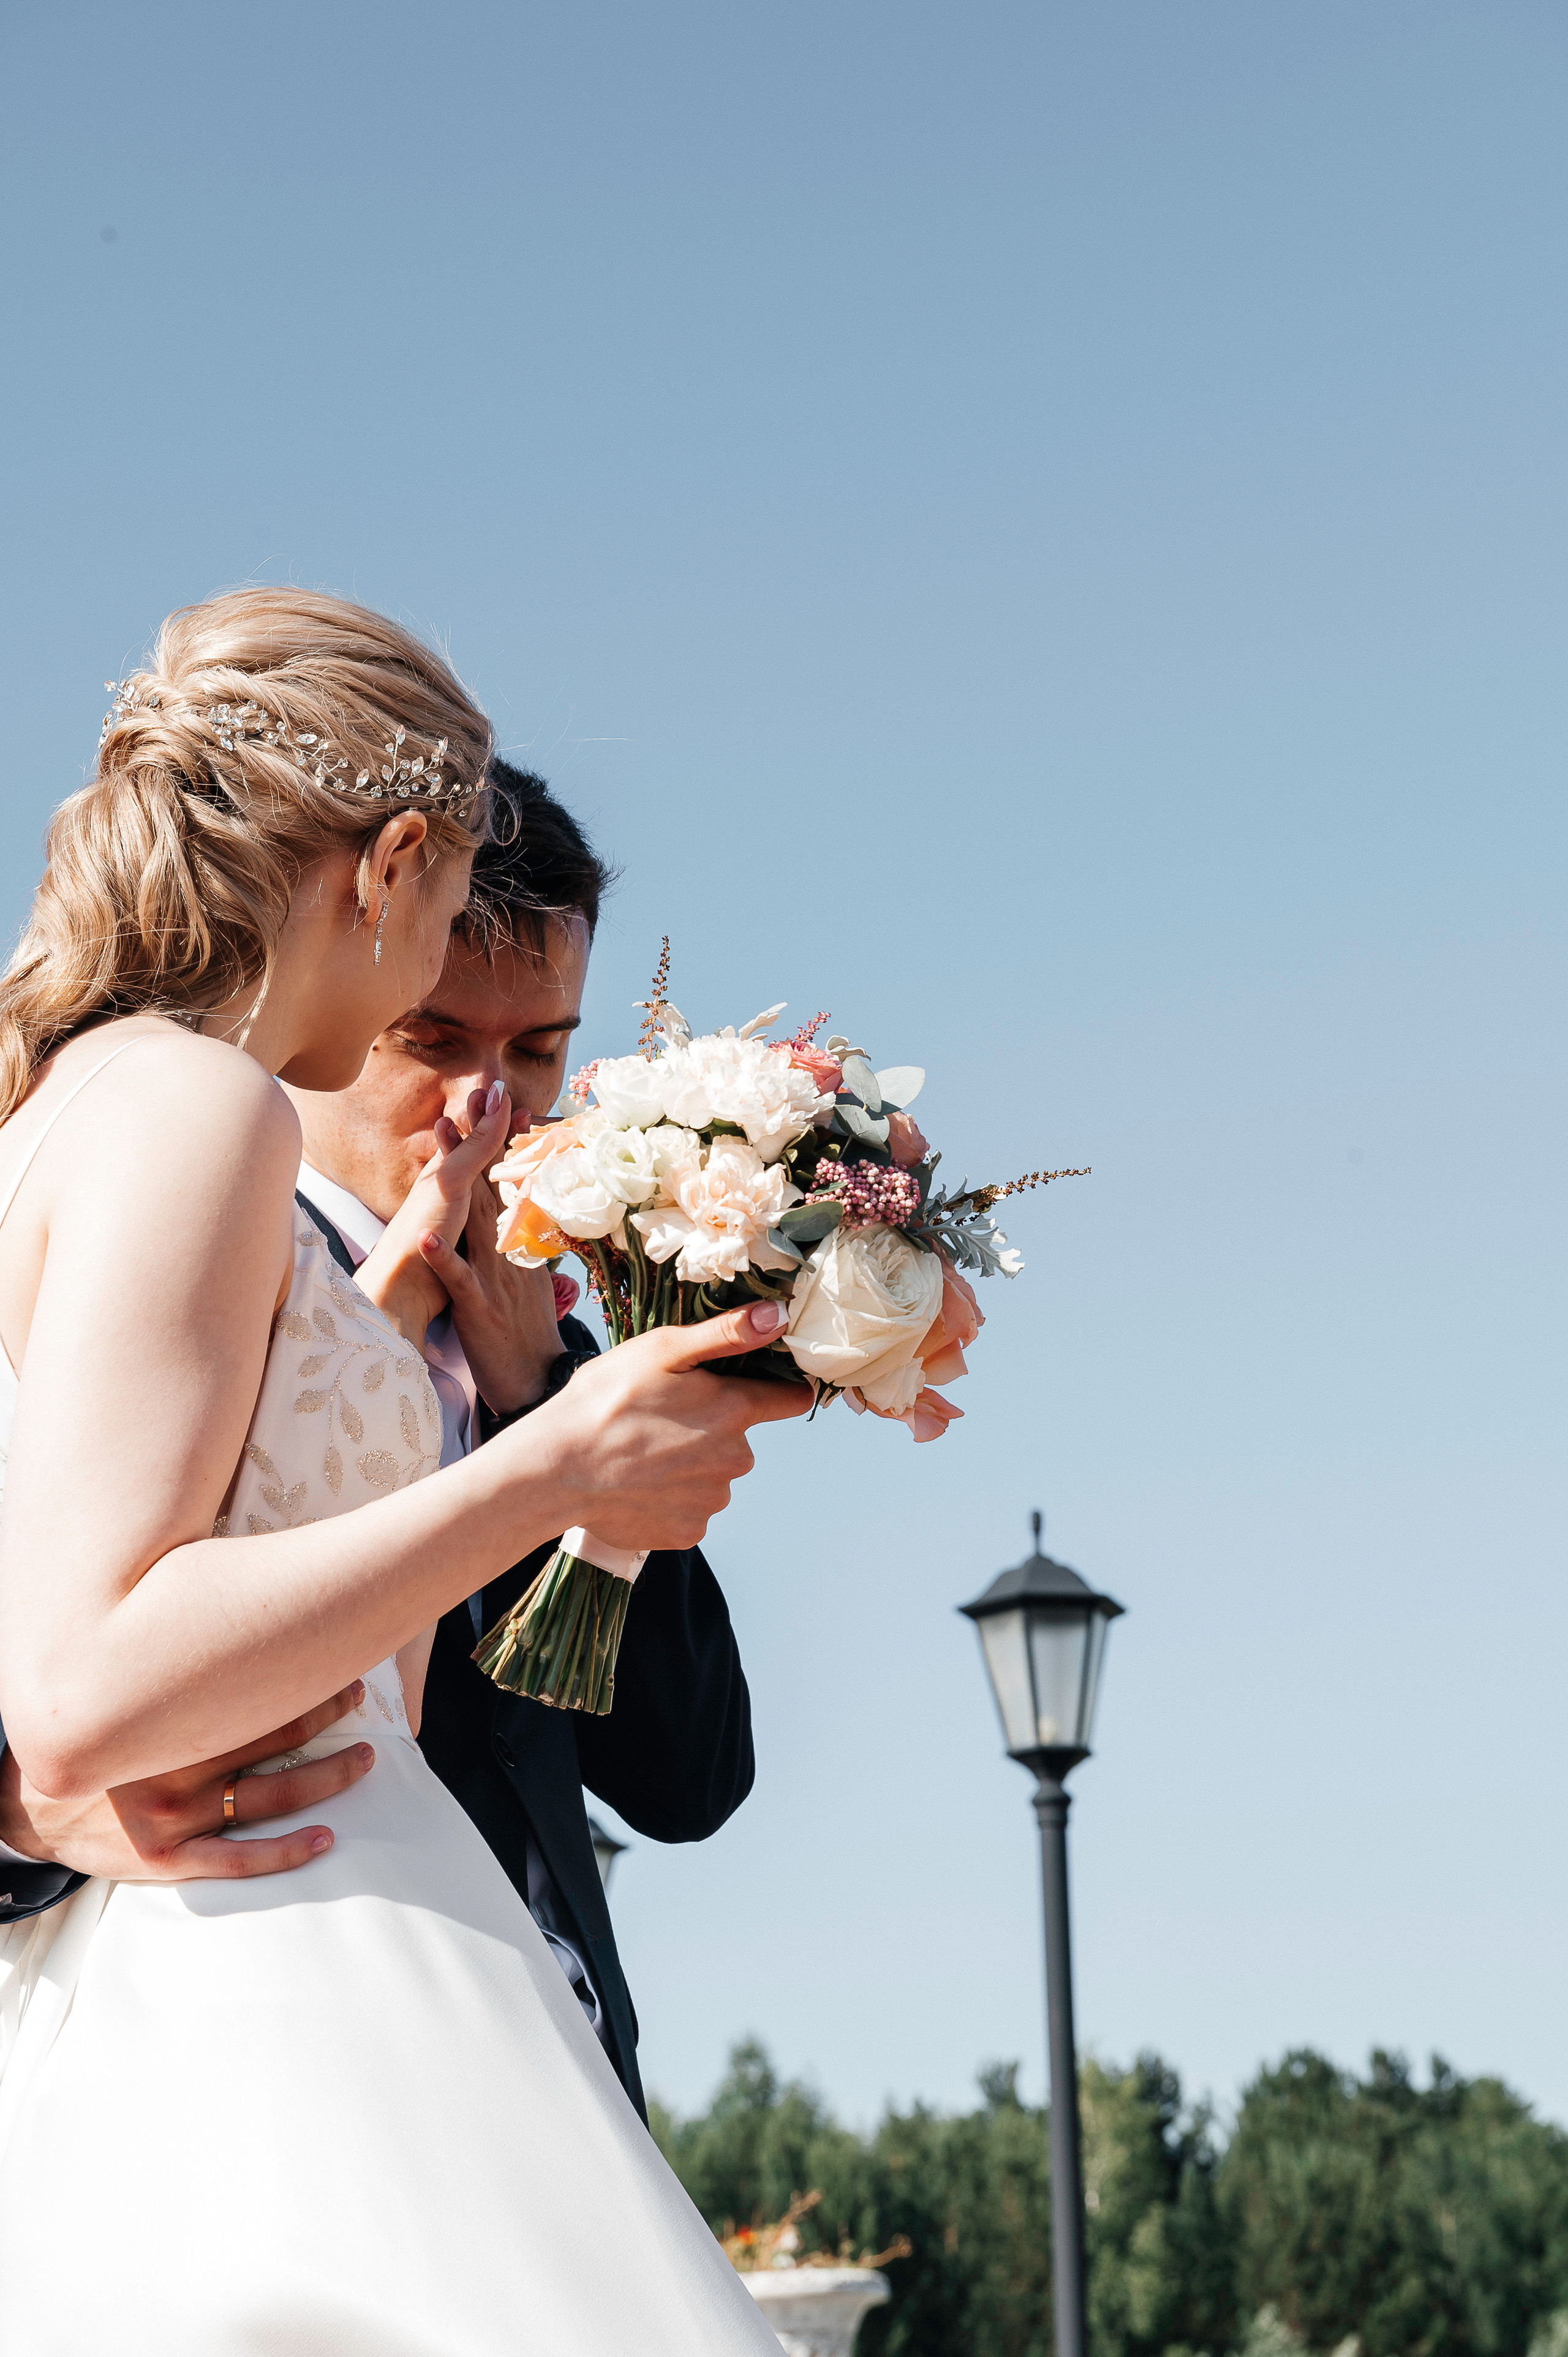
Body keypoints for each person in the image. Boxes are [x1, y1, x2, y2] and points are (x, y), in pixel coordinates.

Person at [0, 589, 806, 2353]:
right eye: (440, 1026)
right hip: (264, 2027)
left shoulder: (79, 1115)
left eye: (539, 1051)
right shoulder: (197, 1118)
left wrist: (535, 1401)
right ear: (398, 867)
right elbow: (76, 1666)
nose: (489, 1107)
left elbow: (686, 1771)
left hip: (470, 2041)